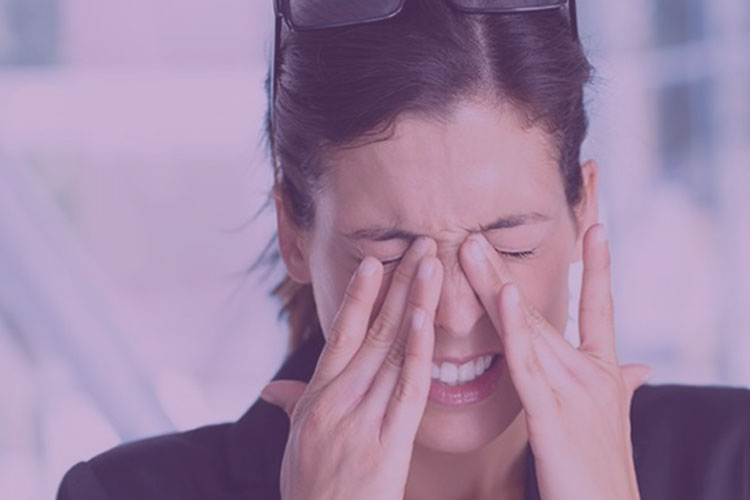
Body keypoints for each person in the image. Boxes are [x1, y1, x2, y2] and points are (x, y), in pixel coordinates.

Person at [57, 1, 749, 499]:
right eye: (389, 254)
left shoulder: (734, 462)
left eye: (509, 245)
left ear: (583, 210)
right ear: (294, 234)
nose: (454, 314)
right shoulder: (122, 492)